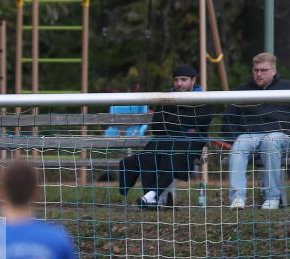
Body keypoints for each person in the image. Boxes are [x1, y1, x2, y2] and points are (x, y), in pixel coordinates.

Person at [119, 64, 212, 209]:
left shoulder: (203, 99)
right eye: (176, 80)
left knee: (172, 154)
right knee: (147, 156)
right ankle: (152, 200)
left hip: (190, 145)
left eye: (183, 79)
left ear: (193, 80)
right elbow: (157, 124)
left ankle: (152, 195)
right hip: (165, 141)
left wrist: (176, 125)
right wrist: (182, 126)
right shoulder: (167, 100)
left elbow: (201, 123)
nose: (179, 83)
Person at [223, 52, 290, 209]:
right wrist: (231, 139)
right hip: (249, 135)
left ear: (273, 70)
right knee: (239, 144)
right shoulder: (242, 90)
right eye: (256, 70)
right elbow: (229, 118)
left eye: (263, 70)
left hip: (281, 136)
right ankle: (237, 198)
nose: (259, 74)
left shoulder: (287, 88)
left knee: (270, 142)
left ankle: (273, 197)